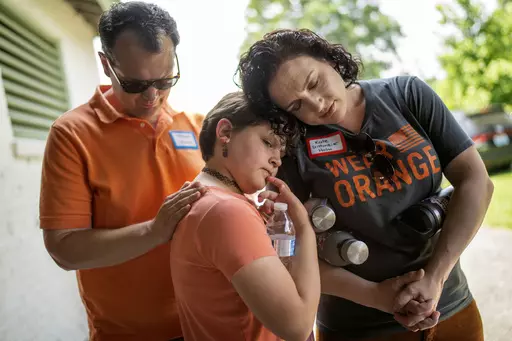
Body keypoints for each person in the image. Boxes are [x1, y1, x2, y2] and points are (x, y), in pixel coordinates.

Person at [237, 28, 494, 341]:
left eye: (315, 82)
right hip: (357, 328)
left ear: (330, 59)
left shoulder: (406, 95)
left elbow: (475, 179)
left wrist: (436, 278)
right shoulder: (291, 148)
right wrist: (377, 296)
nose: (315, 104)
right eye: (295, 106)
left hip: (451, 307)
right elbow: (290, 254)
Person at [39, 2, 206, 340]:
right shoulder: (72, 135)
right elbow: (64, 249)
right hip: (127, 333)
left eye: (164, 79)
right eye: (134, 84)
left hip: (204, 322)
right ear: (106, 64)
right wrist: (155, 231)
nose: (152, 96)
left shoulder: (196, 126)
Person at [169, 91, 320, 341]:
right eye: (268, 143)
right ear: (225, 133)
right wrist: (304, 227)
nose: (276, 161)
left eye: (281, 154)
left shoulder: (209, 201)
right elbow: (298, 327)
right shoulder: (227, 211)